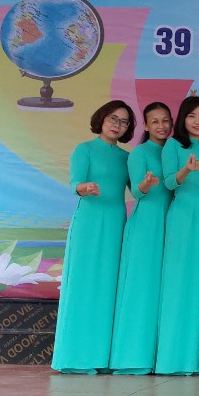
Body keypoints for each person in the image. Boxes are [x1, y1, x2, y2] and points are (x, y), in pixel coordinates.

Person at [52, 101, 134, 373]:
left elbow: (139, 189)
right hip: (89, 222)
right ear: (101, 118)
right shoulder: (84, 150)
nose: (117, 125)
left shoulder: (126, 158)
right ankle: (74, 358)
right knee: (84, 284)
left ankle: (102, 358)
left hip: (116, 222)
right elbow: (75, 183)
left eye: (124, 121)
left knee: (109, 285)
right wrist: (84, 187)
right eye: (113, 118)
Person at [108, 102, 172, 375]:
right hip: (146, 226)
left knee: (163, 291)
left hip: (171, 225)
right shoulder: (140, 153)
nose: (161, 126)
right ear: (146, 125)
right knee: (141, 288)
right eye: (155, 121)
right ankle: (131, 358)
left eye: (165, 120)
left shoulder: (174, 150)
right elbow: (136, 191)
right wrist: (145, 185)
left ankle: (159, 356)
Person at [154, 96, 199, 375]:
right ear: (183, 119)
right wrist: (186, 170)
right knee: (178, 281)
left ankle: (196, 358)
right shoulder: (173, 145)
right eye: (192, 116)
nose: (198, 121)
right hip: (182, 215)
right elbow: (169, 182)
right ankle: (172, 358)